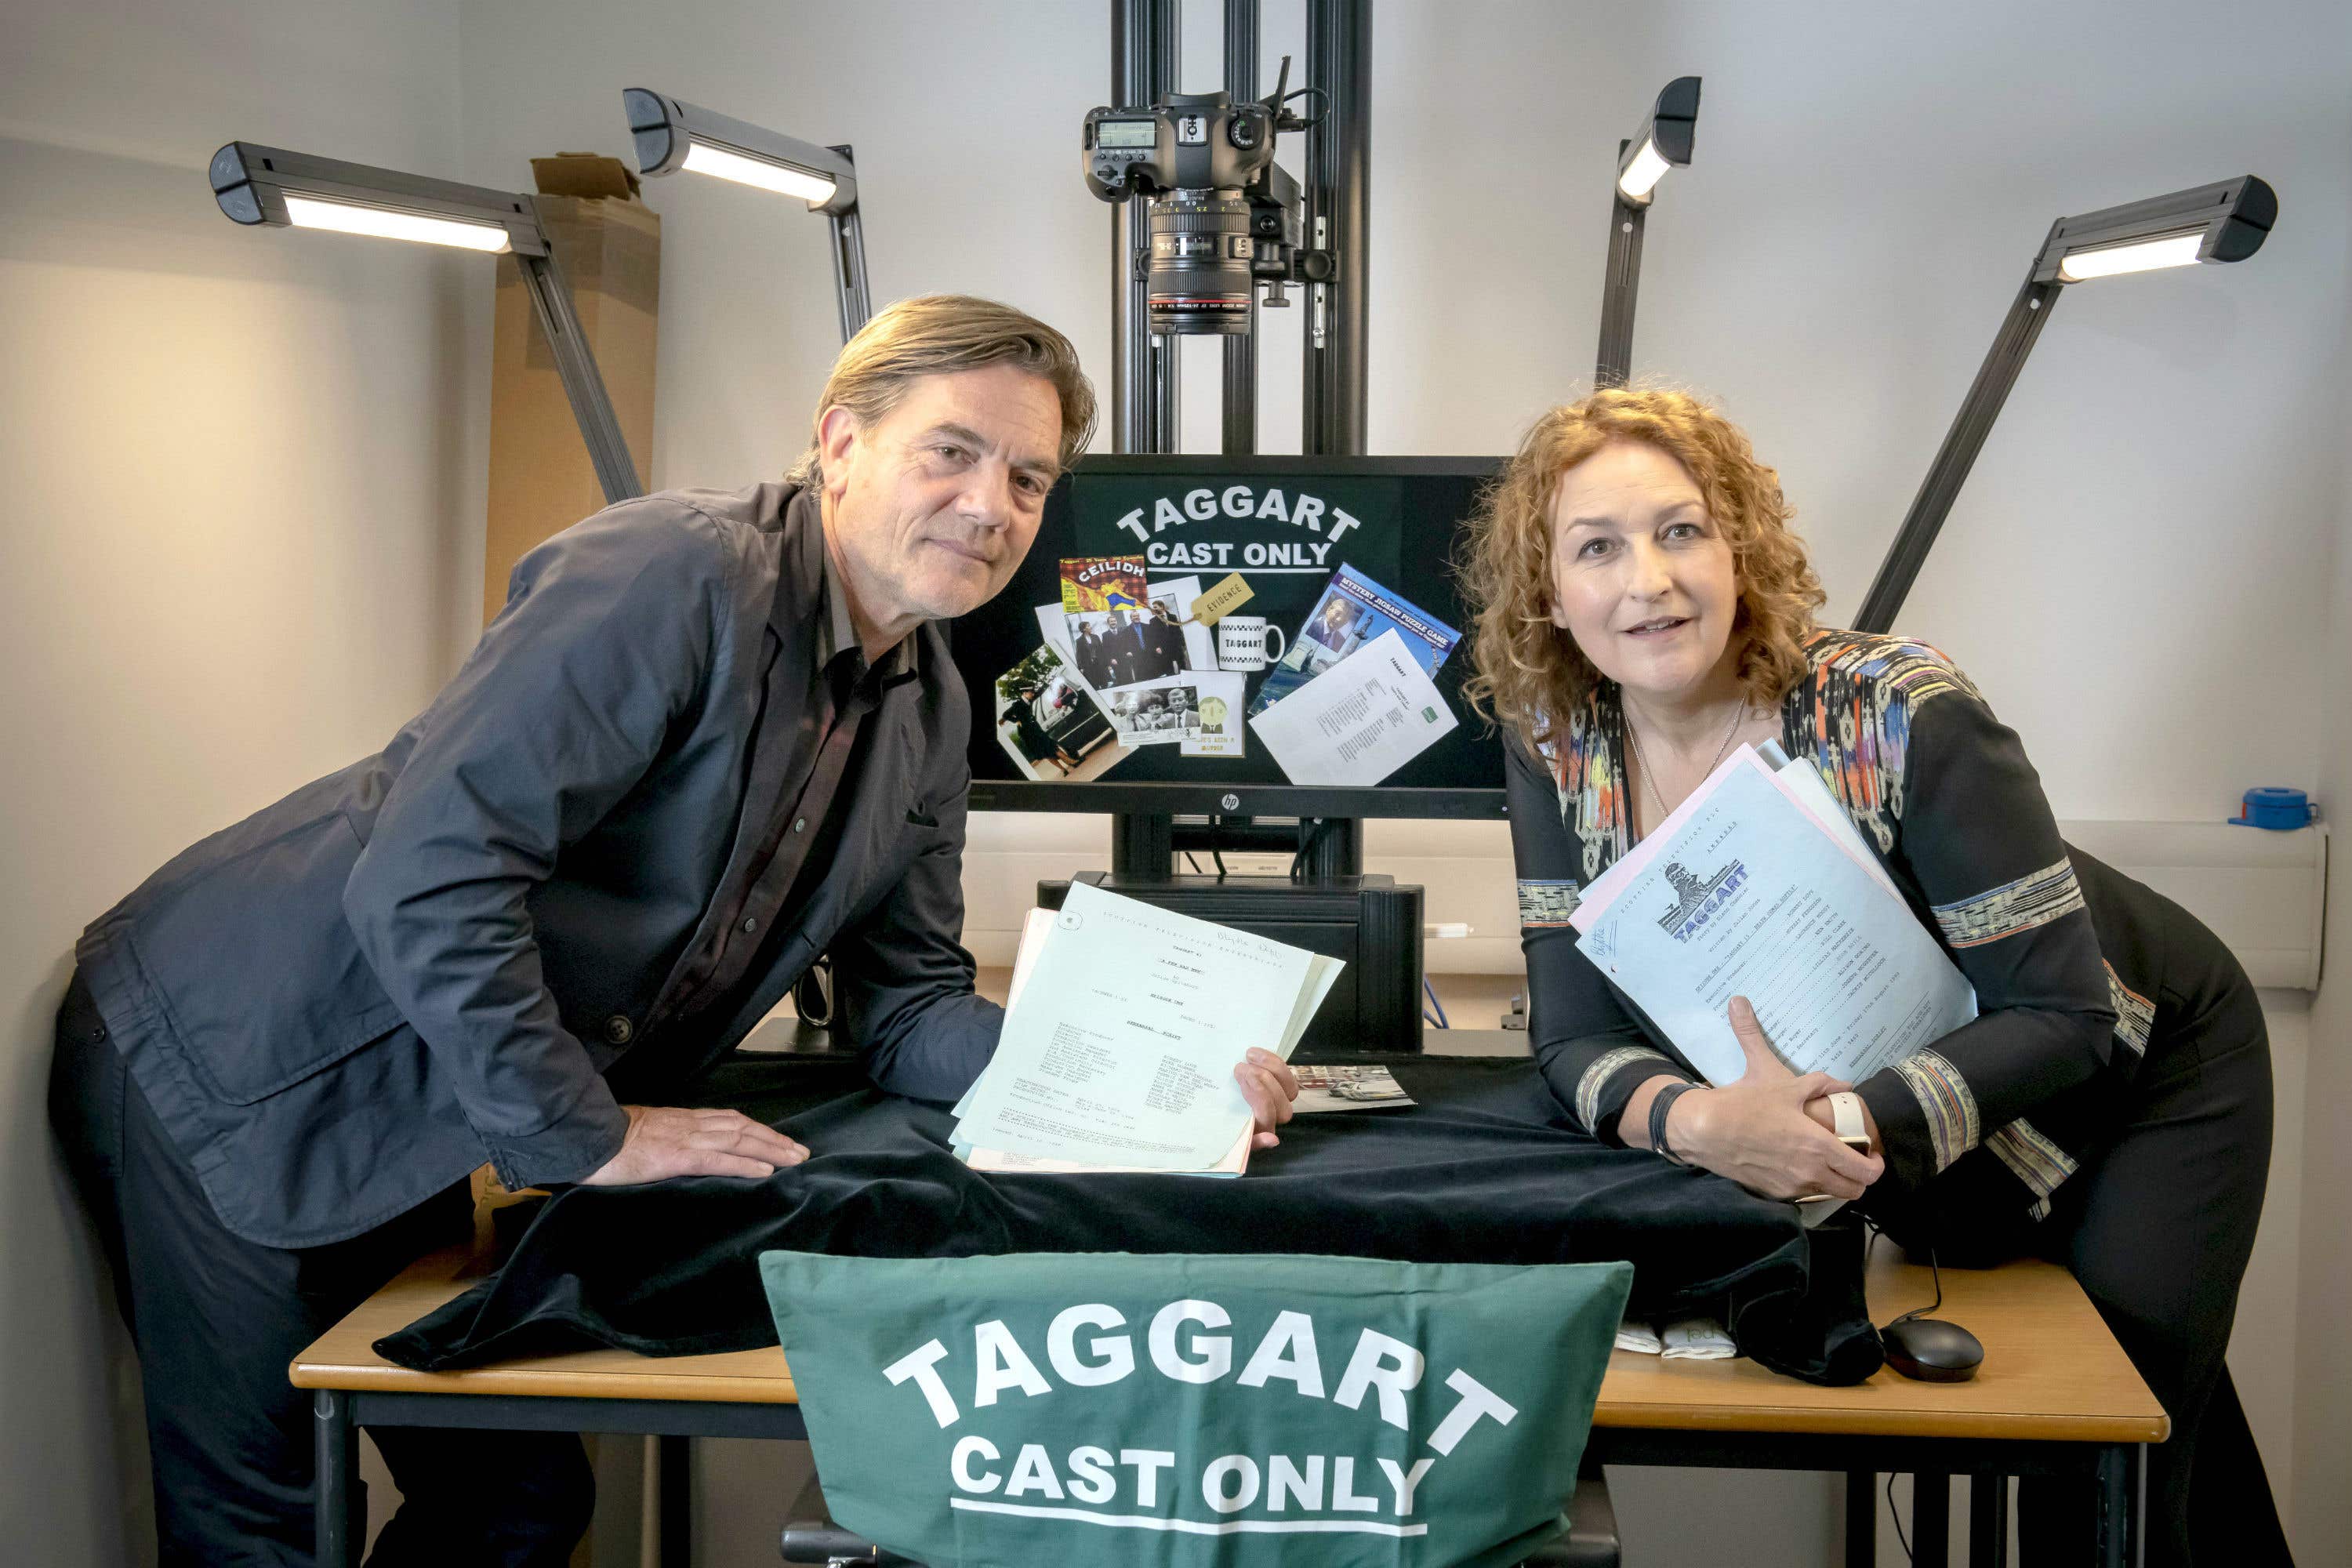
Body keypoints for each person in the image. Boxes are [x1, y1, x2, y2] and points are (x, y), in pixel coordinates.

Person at [50, 294, 1299, 1566]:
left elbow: (910, 1008)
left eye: (1029, 479)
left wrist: (1160, 1088)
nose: (992, 505)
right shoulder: (673, 573)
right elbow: (428, 876)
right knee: (270, 1536)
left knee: (519, 1507)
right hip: (239, 1050)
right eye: (952, 451)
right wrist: (586, 1133)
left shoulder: (929, 707)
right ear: (841, 442)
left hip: (447, 1091)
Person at [1460, 387, 2285, 1566]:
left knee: (2106, 1462)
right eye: (1598, 547)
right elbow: (1572, 1031)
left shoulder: (1898, 708)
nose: (1649, 580)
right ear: (1549, 590)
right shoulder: (1552, 735)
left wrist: (1830, 1122)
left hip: (2150, 1072)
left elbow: (2063, 1012)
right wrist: (1699, 1121)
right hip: (1919, 1110)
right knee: (2152, 1442)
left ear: (1737, 541)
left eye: (1682, 530)